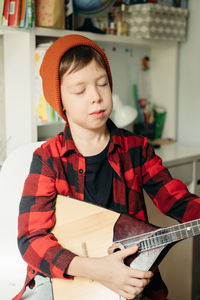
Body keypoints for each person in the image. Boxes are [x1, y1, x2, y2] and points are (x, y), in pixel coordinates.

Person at [13, 34, 200, 300]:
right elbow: (30, 239)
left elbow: (178, 200)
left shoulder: (137, 148)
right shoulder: (48, 158)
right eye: (80, 90)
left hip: (127, 273)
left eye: (103, 84)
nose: (96, 97)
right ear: (60, 101)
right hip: (67, 276)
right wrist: (96, 269)